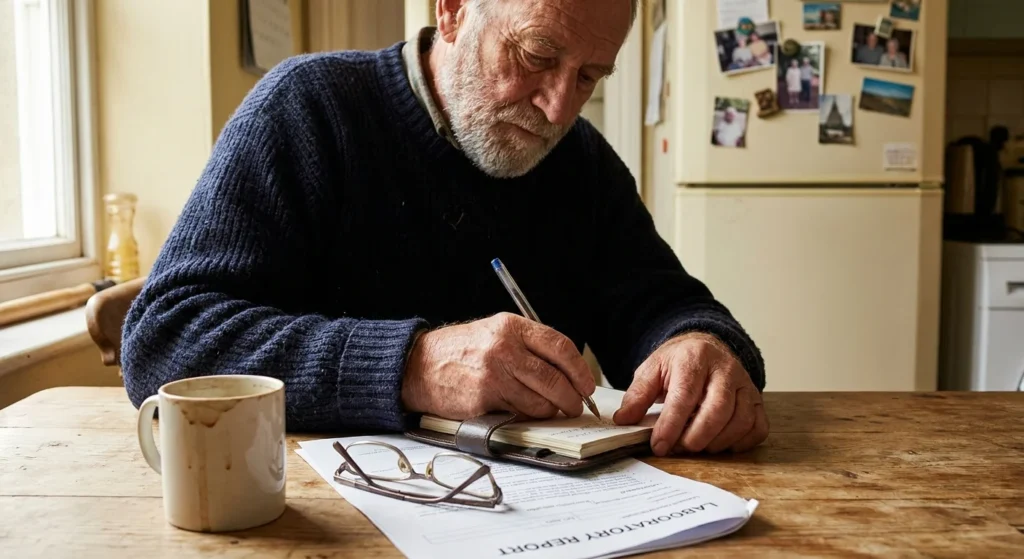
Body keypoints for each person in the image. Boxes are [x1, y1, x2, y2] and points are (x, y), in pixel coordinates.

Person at [121, 0, 769, 458]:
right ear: (453, 8)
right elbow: (163, 342)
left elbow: (661, 302)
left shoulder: (582, 165)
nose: (559, 107)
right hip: (306, 521)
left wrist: (700, 345)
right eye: (538, 55)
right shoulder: (308, 109)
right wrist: (411, 364)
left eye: (591, 77)